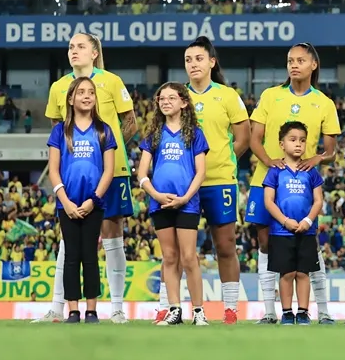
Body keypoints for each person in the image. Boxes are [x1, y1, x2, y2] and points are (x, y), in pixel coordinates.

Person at [37, 34, 137, 324]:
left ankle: (117, 307)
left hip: (111, 172)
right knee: (70, 240)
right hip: (72, 177)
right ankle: (58, 307)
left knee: (113, 236)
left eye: (80, 46)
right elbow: (58, 129)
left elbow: (130, 122)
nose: (73, 51)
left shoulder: (112, 81)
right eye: (70, 47)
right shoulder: (58, 86)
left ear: (95, 53)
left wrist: (109, 151)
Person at [246, 43, 340, 324]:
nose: (294, 65)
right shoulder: (270, 96)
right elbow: (254, 138)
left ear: (313, 65)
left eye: (300, 60)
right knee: (266, 243)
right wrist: (270, 160)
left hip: (302, 186)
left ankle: (321, 310)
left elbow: (331, 149)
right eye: (290, 60)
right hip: (267, 181)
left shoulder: (323, 102)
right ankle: (271, 311)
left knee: (308, 245)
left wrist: (316, 159)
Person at [177, 37, 250, 325]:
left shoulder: (228, 96)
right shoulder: (177, 95)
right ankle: (171, 307)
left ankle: (230, 309)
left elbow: (243, 137)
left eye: (198, 58)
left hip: (220, 180)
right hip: (184, 184)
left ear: (211, 62)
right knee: (179, 249)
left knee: (225, 244)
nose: (192, 64)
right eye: (188, 59)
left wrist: (223, 159)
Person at [138, 83, 209, 327]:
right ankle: (175, 310)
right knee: (169, 256)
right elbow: (141, 173)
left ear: (184, 103)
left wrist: (185, 197)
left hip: (187, 203)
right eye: (161, 98)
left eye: (171, 97)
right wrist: (156, 195)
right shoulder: (153, 134)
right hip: (160, 204)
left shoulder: (195, 134)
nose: (165, 102)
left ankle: (199, 312)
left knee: (189, 258)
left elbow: (201, 173)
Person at [46, 77, 116, 324]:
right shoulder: (60, 131)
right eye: (81, 92)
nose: (87, 96)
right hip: (67, 204)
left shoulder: (103, 130)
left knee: (90, 255)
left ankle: (92, 310)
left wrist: (94, 199)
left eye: (91, 92)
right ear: (71, 99)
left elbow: (109, 170)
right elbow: (53, 169)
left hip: (93, 205)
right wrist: (64, 200)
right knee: (71, 256)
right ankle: (73, 310)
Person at [262, 122, 326, 325]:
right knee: (287, 273)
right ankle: (287, 312)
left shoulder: (311, 172)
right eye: (293, 140)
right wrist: (285, 221)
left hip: (306, 231)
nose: (298, 144)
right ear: (282, 144)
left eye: (302, 140)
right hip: (281, 232)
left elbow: (318, 200)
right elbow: (268, 201)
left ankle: (304, 312)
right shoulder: (274, 171)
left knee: (303, 273)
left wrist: (308, 220)